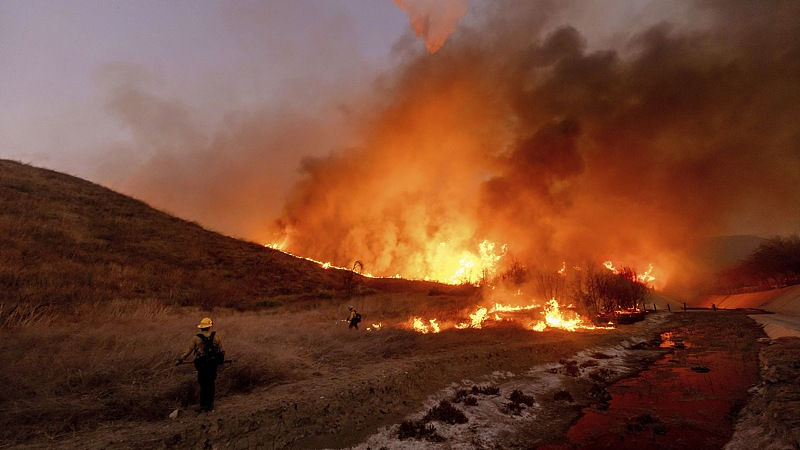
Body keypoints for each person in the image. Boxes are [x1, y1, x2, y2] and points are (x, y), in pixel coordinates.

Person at [175, 317, 224, 412]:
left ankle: (203, 405)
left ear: (201, 327)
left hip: (202, 364)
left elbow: (188, 350)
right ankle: (210, 404)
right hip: (213, 364)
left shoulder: (196, 338)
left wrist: (180, 359)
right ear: (209, 327)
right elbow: (220, 350)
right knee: (211, 383)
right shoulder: (216, 336)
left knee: (203, 384)